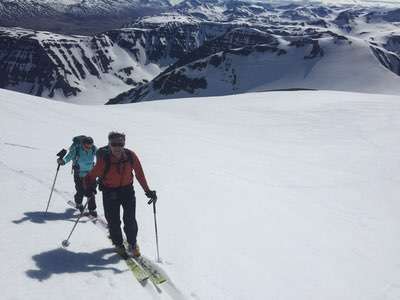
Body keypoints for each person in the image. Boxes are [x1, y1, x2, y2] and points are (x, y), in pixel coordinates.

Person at [83, 132, 157, 257]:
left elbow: (139, 174)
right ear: (109, 144)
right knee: (113, 221)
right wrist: (88, 188)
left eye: (120, 144)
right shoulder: (104, 159)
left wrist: (147, 191)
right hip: (109, 192)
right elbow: (89, 177)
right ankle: (118, 244)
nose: (117, 147)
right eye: (114, 144)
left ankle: (132, 243)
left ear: (124, 144)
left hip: (127, 191)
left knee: (130, 220)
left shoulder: (130, 156)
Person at [57, 135, 98, 217]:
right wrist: (63, 161)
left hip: (90, 173)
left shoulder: (93, 148)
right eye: (86, 146)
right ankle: (78, 203)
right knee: (81, 190)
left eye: (90, 146)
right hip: (79, 173)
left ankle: (92, 209)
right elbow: (69, 157)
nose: (88, 147)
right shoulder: (77, 149)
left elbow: (100, 157)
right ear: (83, 144)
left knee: (91, 191)